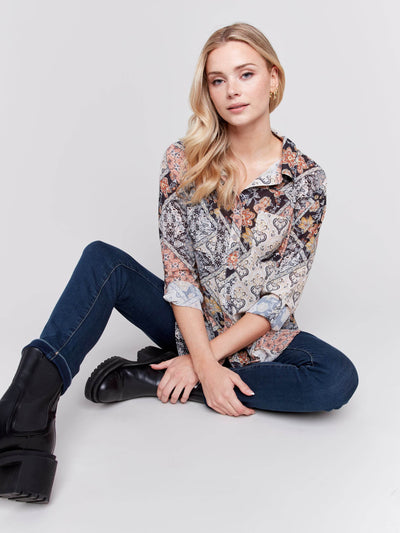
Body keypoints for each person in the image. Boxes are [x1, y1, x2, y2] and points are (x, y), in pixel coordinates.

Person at [0, 22, 359, 504]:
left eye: (246, 74)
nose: (232, 90)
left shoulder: (307, 180)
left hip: (257, 335)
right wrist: (202, 356)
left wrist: (201, 366)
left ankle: (158, 378)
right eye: (218, 80)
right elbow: (181, 274)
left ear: (273, 78)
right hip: (183, 320)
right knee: (102, 261)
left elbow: (280, 297)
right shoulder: (182, 160)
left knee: (337, 378)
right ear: (207, 90)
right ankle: (23, 419)